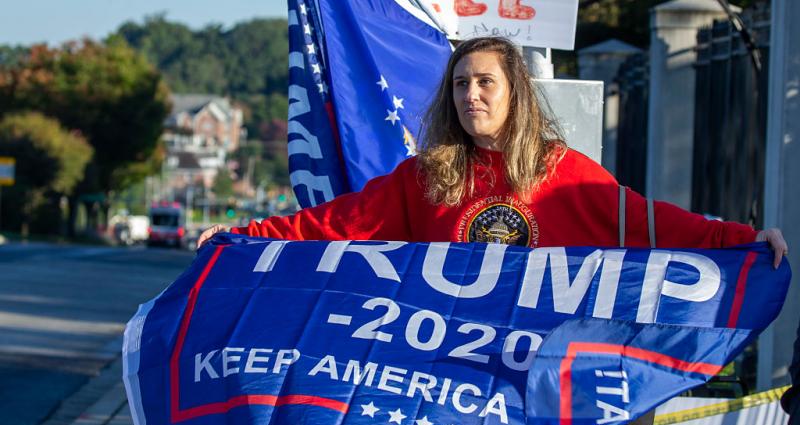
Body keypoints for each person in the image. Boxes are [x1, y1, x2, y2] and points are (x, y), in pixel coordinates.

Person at [199, 37, 787, 265]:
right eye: (460, 83)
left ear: (515, 93)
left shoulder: (566, 174)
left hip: (532, 385)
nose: (470, 94)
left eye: (484, 82)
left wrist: (742, 239)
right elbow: (333, 224)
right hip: (442, 380)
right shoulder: (426, 177)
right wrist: (244, 236)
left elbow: (657, 225)